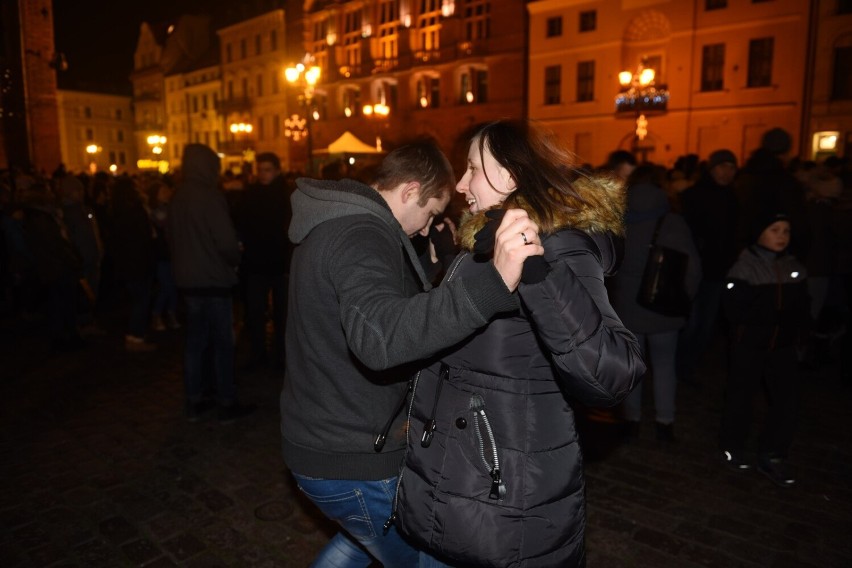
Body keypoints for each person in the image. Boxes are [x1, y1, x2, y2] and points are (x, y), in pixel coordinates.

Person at [280, 139, 544, 567]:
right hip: (352, 456)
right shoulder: (360, 234)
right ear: (408, 191)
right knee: (426, 557)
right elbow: (381, 336)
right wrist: (491, 284)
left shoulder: (336, 223)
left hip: (323, 442)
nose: (426, 229)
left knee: (360, 541)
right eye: (430, 213)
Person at [395, 121, 646, 567]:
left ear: (510, 176)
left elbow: (612, 374)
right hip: (458, 482)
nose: (460, 183)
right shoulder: (484, 235)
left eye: (472, 169)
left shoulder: (560, 244)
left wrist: (536, 270)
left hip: (504, 501)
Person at [607, 164, 702, 443]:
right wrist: (684, 299)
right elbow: (693, 269)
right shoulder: (674, 222)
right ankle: (664, 421)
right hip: (664, 307)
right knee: (664, 365)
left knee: (633, 366)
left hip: (627, 307)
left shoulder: (618, 221)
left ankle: (632, 420)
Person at [719, 212, 810, 486]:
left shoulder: (795, 268)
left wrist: (802, 333)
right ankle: (732, 447)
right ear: (759, 233)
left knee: (787, 401)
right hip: (750, 345)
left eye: (786, 231)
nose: (781, 236)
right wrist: (768, 313)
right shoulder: (744, 268)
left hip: (782, 347)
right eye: (774, 230)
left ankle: (773, 454)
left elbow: (804, 308)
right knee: (741, 397)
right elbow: (735, 310)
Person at [169, 144, 255, 424]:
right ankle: (226, 400)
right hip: (213, 278)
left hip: (187, 279)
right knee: (221, 342)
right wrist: (234, 257)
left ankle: (195, 398)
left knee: (195, 342)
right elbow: (226, 242)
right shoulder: (209, 196)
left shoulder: (178, 196)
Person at [677, 149, 740, 384]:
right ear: (712, 168)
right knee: (690, 324)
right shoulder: (694, 195)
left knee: (706, 326)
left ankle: (688, 367)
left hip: (718, 272)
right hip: (694, 270)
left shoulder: (733, 198)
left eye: (731, 168)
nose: (727, 172)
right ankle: (679, 365)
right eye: (722, 167)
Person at [234, 152, 291, 372]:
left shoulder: (285, 195)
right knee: (256, 314)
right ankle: (259, 354)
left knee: (282, 315)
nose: (263, 174)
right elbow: (242, 221)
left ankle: (282, 356)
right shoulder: (251, 194)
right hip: (256, 263)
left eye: (267, 169)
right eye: (260, 169)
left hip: (278, 264)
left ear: (276, 170)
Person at [110, 176, 156, 351]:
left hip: (128, 262)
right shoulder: (135, 211)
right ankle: (135, 336)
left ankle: (137, 333)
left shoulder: (118, 210)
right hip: (139, 262)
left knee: (139, 299)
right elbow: (144, 237)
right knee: (141, 300)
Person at [148, 180, 180, 331]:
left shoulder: (170, 208)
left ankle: (171, 313)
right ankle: (157, 315)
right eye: (162, 192)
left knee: (173, 286)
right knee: (166, 286)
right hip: (162, 254)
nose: (166, 193)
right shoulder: (155, 212)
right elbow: (165, 224)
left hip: (173, 253)